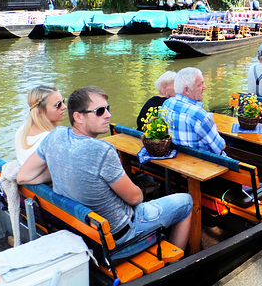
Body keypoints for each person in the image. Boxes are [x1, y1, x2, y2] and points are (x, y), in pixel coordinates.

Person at [17, 86, 193, 254]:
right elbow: (135, 198)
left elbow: (23, 176)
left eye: (107, 109)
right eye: (100, 111)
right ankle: (174, 264)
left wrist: (63, 168)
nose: (108, 115)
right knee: (186, 201)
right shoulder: (103, 150)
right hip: (119, 236)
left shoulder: (55, 136)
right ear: (78, 117)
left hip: (81, 229)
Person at [163, 68, 226, 154]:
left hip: (177, 158)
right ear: (187, 90)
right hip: (205, 163)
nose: (205, 87)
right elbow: (220, 147)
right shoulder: (199, 115)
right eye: (200, 85)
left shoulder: (166, 104)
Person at [14, 85, 67, 165]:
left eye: (63, 101)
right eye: (58, 105)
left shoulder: (22, 130)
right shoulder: (50, 140)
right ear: (40, 111)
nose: (64, 107)